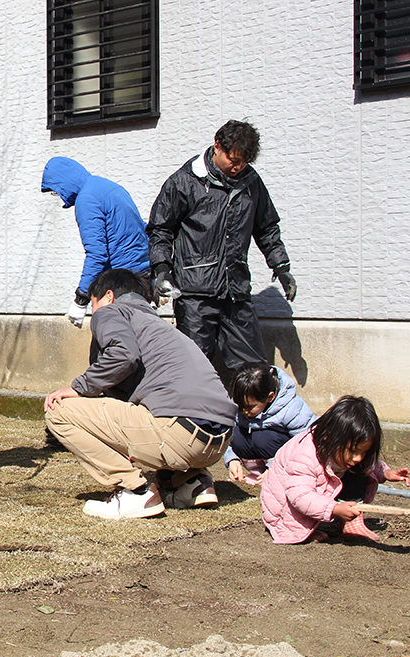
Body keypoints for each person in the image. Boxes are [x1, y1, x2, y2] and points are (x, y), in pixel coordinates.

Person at [44, 269, 238, 520]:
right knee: (144, 410)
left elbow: (123, 354)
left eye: (94, 303)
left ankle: (136, 492)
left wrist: (79, 387)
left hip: (180, 432)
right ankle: (192, 482)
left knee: (59, 410)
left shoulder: (110, 312)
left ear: (109, 296)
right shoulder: (157, 324)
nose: (94, 311)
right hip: (220, 439)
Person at [146, 120, 296, 373]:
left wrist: (281, 266)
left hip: (235, 290)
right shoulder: (184, 181)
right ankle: (190, 413)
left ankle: (253, 412)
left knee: (253, 368)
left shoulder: (251, 182)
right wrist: (162, 269)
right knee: (193, 367)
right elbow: (161, 228)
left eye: (244, 162)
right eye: (233, 160)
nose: (237, 167)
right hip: (194, 293)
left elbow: (267, 227)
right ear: (217, 147)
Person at [260, 396, 409, 544]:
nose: (358, 457)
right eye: (353, 450)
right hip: (284, 509)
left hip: (314, 494)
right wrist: (334, 509)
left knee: (360, 469)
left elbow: (369, 463)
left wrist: (385, 473)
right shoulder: (304, 455)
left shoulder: (343, 452)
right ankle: (301, 530)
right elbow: (300, 496)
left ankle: (352, 523)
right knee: (298, 518)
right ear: (329, 438)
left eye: (364, 452)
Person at [40, 157, 150, 327]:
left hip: (119, 283)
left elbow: (97, 254)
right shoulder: (109, 187)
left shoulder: (87, 198)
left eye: (57, 191)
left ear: (64, 181)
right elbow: (141, 228)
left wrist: (81, 298)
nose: (60, 196)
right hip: (141, 277)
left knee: (114, 342)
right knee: (139, 338)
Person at [224, 363, 317, 485]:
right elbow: (225, 431)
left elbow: (308, 441)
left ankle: (279, 473)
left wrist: (276, 466)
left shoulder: (292, 408)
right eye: (239, 406)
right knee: (235, 434)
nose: (244, 411)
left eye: (251, 407)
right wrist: (232, 458)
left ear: (270, 397)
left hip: (285, 461)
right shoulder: (242, 402)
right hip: (255, 456)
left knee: (262, 437)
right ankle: (258, 473)